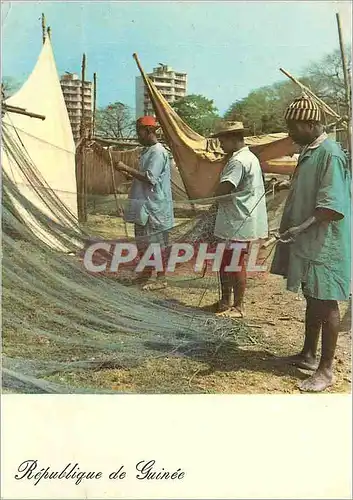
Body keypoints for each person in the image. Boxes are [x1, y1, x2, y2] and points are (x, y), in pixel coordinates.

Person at [270, 94, 351, 392]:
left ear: (309, 124)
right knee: (311, 295)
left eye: (292, 126)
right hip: (310, 239)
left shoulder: (330, 153)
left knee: (326, 300)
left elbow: (331, 205)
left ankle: (326, 370)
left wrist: (299, 228)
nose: (289, 133)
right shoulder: (309, 151)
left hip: (324, 242)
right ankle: (308, 354)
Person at [207, 121, 268, 318]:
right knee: (226, 261)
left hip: (237, 220)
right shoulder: (249, 157)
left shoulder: (238, 161)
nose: (220, 144)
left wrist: (210, 197)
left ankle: (238, 306)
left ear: (234, 139)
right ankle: (225, 301)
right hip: (237, 218)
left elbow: (225, 188)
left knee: (234, 262)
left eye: (223, 140)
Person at [115, 116, 174, 290]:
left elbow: (150, 178)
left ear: (148, 131)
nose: (137, 134)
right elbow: (142, 175)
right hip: (143, 204)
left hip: (154, 206)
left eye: (139, 131)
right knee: (143, 242)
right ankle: (146, 274)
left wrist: (126, 168)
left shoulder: (157, 152)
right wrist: (129, 174)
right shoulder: (147, 151)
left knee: (157, 244)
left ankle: (160, 279)